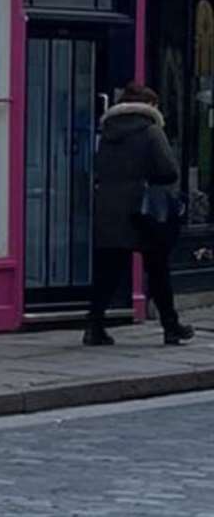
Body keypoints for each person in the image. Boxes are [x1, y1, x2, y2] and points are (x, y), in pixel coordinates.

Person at [86, 84, 192, 346]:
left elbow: (98, 167)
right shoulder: (151, 131)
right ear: (149, 106)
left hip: (110, 208)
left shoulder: (107, 132)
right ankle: (171, 326)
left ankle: (94, 326)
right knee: (157, 269)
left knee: (108, 271)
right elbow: (168, 169)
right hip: (144, 210)